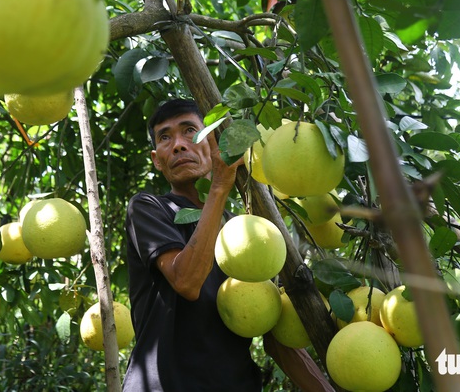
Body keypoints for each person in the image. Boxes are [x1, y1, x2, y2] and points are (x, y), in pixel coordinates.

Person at [122, 99, 333, 391]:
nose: (179, 145)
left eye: (190, 131)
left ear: (212, 145)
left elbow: (274, 335)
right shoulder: (149, 209)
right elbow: (186, 281)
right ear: (157, 160)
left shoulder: (245, 232)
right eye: (165, 137)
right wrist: (220, 186)